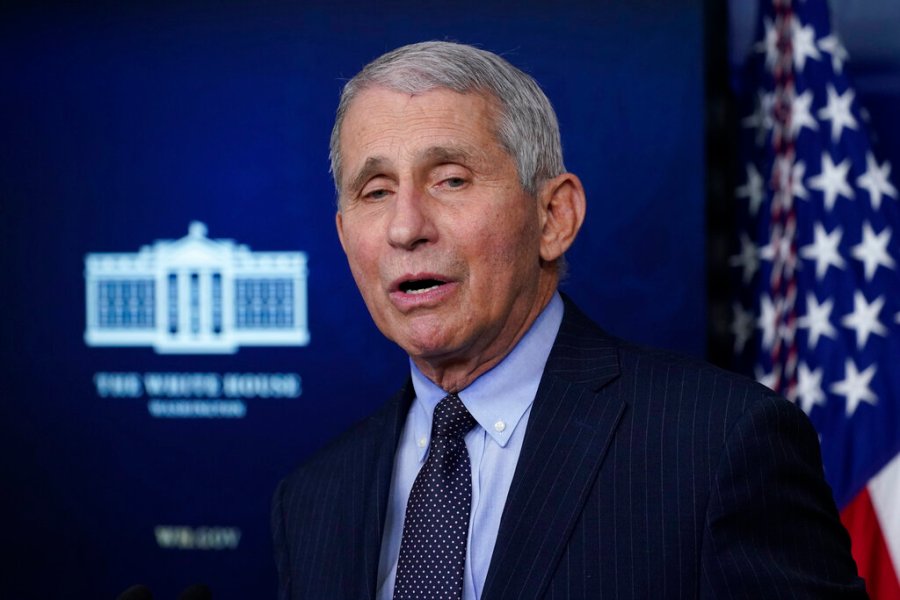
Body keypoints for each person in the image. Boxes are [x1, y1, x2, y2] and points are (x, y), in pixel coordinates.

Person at [271, 41, 867, 599]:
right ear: (346, 239)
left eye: (451, 179)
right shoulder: (312, 501)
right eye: (375, 192)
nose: (406, 227)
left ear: (554, 216)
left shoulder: (720, 446)